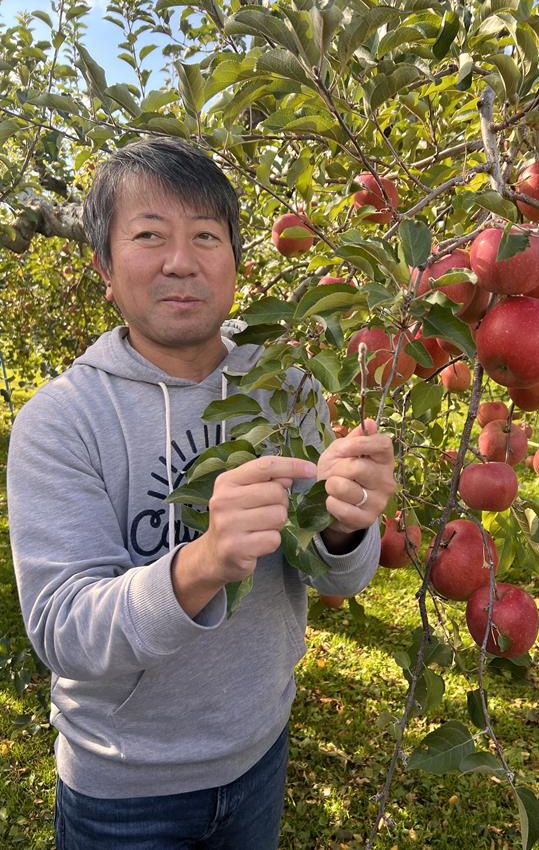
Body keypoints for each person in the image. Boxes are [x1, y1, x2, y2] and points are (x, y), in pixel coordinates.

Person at [7, 137, 396, 849]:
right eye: (149, 236)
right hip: (123, 792)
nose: (180, 261)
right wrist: (203, 562)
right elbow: (63, 630)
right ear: (104, 267)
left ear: (236, 264)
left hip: (257, 755)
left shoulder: (287, 384)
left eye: (206, 237)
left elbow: (334, 571)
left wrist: (347, 527)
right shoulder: (59, 422)